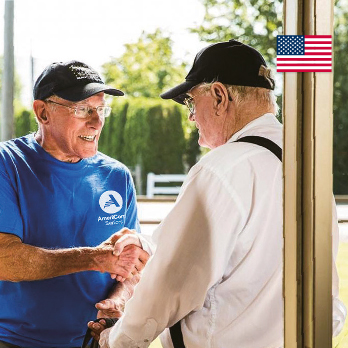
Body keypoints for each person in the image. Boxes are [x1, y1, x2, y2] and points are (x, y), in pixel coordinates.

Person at [93, 40, 346, 348]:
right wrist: (147, 244)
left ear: (218, 96)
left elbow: (167, 285)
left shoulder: (222, 168)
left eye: (189, 102)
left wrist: (114, 340)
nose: (190, 117)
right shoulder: (306, 165)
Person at [0, 60, 150, 348]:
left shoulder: (117, 176)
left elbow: (133, 265)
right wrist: (93, 258)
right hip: (14, 341)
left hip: (92, 340)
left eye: (101, 109)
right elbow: (4, 259)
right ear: (43, 112)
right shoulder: (8, 164)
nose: (96, 121)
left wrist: (117, 300)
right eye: (82, 109)